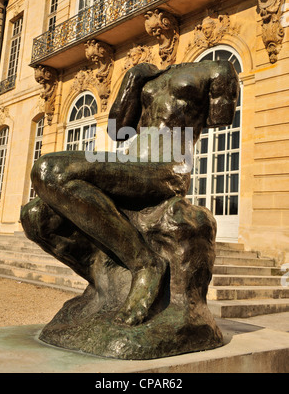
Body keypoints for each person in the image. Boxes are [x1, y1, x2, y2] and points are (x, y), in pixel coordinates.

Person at [24, 61, 239, 325]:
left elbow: (221, 119)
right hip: (132, 162)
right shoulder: (148, 75)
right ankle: (103, 284)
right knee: (34, 215)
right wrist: (133, 78)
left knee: (48, 169)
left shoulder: (218, 68)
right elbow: (116, 130)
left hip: (168, 167)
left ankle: (146, 265)